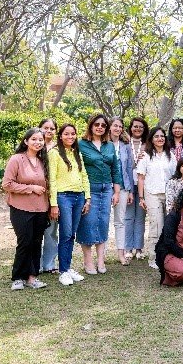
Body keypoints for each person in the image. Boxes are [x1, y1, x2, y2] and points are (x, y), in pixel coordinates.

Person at [3, 128, 50, 290]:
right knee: (25, 242)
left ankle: (32, 277)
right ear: (26, 141)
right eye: (34, 139)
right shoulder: (16, 159)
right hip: (20, 208)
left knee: (37, 243)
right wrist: (31, 188)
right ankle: (18, 277)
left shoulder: (44, 161)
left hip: (41, 209)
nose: (38, 142)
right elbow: (7, 184)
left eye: (40, 140)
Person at [77, 114, 123, 275]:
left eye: (103, 125)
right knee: (88, 223)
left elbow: (115, 169)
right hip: (89, 190)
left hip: (107, 189)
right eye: (97, 124)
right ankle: (88, 261)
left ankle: (101, 261)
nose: (100, 127)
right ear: (91, 126)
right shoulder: (81, 144)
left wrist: (116, 192)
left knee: (103, 223)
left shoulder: (109, 145)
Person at [48, 123, 91, 286]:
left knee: (72, 234)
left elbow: (84, 175)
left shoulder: (76, 152)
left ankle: (67, 267)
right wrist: (53, 204)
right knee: (65, 234)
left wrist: (88, 198)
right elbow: (52, 179)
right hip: (63, 197)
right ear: (60, 136)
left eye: (73, 134)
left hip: (79, 196)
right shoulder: (54, 153)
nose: (70, 137)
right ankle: (63, 271)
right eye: (66, 134)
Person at [137, 126, 177, 269]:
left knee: (169, 226)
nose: (160, 139)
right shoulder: (146, 156)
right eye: (156, 136)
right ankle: (153, 258)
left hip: (169, 195)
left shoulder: (170, 155)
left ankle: (167, 255)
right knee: (156, 226)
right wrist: (141, 198)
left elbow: (175, 176)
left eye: (162, 136)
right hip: (152, 194)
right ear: (151, 139)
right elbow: (141, 177)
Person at [110, 116, 135, 266]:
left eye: (120, 126)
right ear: (109, 127)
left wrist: (131, 190)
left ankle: (121, 253)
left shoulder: (125, 146)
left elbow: (129, 169)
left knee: (120, 221)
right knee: (102, 221)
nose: (118, 129)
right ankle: (101, 254)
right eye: (115, 126)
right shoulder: (103, 144)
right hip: (106, 187)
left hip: (124, 186)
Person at [125, 117, 149, 261]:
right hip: (128, 184)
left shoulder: (148, 145)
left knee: (140, 217)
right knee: (128, 217)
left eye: (141, 127)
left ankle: (139, 248)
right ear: (131, 128)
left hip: (143, 185)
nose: (138, 129)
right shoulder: (124, 144)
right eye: (135, 126)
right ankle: (128, 248)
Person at [38, 118, 59, 274]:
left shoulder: (59, 147)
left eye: (52, 128)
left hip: (54, 192)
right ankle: (36, 264)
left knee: (51, 231)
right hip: (37, 193)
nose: (49, 131)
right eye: (46, 128)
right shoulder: (34, 145)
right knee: (36, 231)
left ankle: (49, 264)